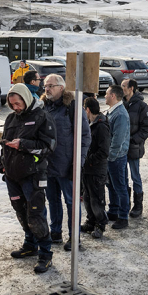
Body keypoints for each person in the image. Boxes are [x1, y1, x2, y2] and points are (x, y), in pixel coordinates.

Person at [0, 84, 56, 274]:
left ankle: (45, 253)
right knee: (21, 212)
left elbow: (49, 146)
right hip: (12, 175)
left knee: (36, 214)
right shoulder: (10, 118)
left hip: (33, 175)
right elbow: (5, 144)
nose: (15, 107)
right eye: (12, 104)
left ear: (26, 98)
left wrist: (23, 144)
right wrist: (3, 164)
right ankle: (30, 244)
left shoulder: (41, 116)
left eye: (18, 103)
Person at [42, 74, 91, 248]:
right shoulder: (44, 107)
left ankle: (74, 237)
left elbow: (85, 136)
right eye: (45, 85)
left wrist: (78, 162)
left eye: (51, 86)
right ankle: (55, 232)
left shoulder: (72, 107)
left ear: (61, 88)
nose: (47, 89)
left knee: (71, 202)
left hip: (67, 165)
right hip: (47, 165)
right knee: (53, 200)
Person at [121, 79, 148, 218]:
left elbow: (146, 128)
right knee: (123, 177)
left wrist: (133, 140)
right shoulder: (121, 103)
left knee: (135, 176)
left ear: (131, 88)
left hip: (133, 147)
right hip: (121, 148)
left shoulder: (141, 106)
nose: (121, 89)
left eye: (123, 86)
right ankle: (125, 204)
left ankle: (138, 205)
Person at [82, 97, 111, 239]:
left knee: (97, 198)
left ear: (87, 109)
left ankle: (101, 224)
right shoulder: (90, 123)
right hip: (87, 168)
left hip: (96, 169)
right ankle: (91, 222)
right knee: (87, 197)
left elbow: (104, 151)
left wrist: (88, 160)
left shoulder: (101, 126)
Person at [105, 85, 131, 227]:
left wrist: (111, 156)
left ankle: (123, 216)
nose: (105, 96)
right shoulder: (113, 111)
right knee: (111, 185)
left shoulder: (120, 114)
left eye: (107, 94)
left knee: (120, 186)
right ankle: (113, 210)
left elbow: (118, 140)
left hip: (116, 157)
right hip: (112, 156)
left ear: (113, 96)